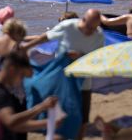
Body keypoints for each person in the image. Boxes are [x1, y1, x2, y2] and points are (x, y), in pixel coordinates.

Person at [24, 10, 104, 138]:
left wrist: (81, 56)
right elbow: (45, 37)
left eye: (94, 28)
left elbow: (98, 58)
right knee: (56, 116)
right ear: (83, 20)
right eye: (89, 27)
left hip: (84, 84)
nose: (91, 31)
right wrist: (26, 46)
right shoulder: (68, 26)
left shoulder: (99, 35)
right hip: (61, 82)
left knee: (82, 119)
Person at [0, 51, 58, 140]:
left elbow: (17, 126)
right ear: (12, 69)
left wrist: (47, 123)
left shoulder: (2, 90)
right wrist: (41, 107)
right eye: (21, 75)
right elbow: (10, 121)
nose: (21, 81)